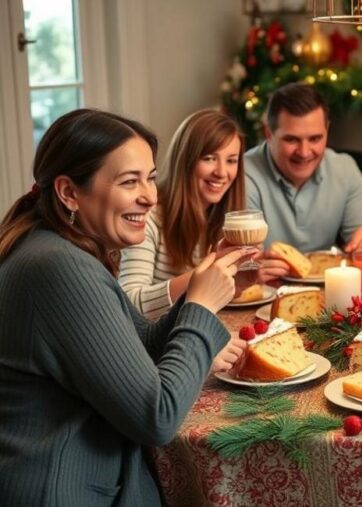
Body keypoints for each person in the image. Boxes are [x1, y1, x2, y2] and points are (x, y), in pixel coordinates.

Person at [0, 109, 252, 505]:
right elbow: (158, 417)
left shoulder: (61, 248)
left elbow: (141, 344)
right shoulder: (58, 267)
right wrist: (201, 307)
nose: (150, 196)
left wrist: (204, 278)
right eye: (129, 181)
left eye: (150, 178)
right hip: (61, 491)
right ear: (69, 192)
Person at [119, 109, 250, 371]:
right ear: (186, 159)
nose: (222, 172)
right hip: (152, 356)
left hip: (189, 338)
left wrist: (235, 283)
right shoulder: (148, 217)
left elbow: (203, 303)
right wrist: (201, 278)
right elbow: (129, 305)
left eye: (232, 160)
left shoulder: (219, 218)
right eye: (209, 158)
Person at [243, 82, 362, 281]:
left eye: (315, 139)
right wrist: (250, 269)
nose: (305, 152)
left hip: (328, 295)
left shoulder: (344, 168)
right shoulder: (243, 174)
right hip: (265, 293)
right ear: (268, 134)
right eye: (291, 140)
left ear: (327, 130)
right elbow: (242, 263)